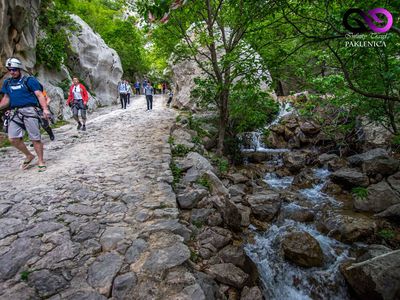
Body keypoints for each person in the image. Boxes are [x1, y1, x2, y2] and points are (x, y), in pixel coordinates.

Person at [0, 57, 51, 172]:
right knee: (12, 138)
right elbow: (6, 99)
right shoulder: (7, 83)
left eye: (14, 69)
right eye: (10, 70)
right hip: (15, 112)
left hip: (30, 111)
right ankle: (29, 155)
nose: (12, 72)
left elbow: (39, 95)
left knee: (35, 138)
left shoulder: (29, 81)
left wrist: (45, 109)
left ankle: (41, 160)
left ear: (19, 69)